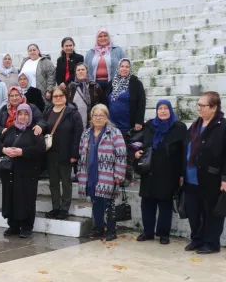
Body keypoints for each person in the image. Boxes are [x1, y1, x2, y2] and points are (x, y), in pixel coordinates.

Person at [133, 100, 187, 245]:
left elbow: (184, 152)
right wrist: (138, 153)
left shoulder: (179, 127)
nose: (163, 111)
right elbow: (141, 143)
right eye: (160, 108)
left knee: (165, 205)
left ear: (170, 110)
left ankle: (163, 234)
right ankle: (148, 232)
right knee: (147, 203)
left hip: (169, 172)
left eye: (165, 108)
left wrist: (182, 173)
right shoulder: (150, 125)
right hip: (149, 171)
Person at [183, 92, 226, 254]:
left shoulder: (222, 126)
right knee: (194, 212)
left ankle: (211, 243)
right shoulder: (195, 125)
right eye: (198, 105)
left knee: (212, 213)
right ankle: (197, 239)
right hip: (191, 178)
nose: (199, 108)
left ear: (214, 107)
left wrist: (225, 178)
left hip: (212, 178)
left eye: (203, 105)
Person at [0, 104, 45, 238]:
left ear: (30, 116)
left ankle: (27, 227)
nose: (23, 117)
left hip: (28, 173)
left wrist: (22, 152)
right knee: (11, 197)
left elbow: (40, 148)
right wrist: (4, 150)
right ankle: (13, 226)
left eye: (26, 114)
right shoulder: (10, 130)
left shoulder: (34, 130)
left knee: (26, 199)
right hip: (10, 172)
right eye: (20, 114)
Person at [77, 104, 127, 242]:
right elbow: (81, 154)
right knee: (95, 202)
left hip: (107, 174)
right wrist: (81, 174)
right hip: (90, 173)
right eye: (95, 115)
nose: (98, 118)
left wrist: (119, 174)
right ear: (91, 117)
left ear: (106, 117)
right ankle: (99, 228)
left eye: (102, 115)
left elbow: (121, 155)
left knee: (108, 203)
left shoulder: (114, 132)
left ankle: (111, 229)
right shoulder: (86, 133)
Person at [43, 87, 84, 220]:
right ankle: (56, 207)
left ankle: (64, 209)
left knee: (66, 182)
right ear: (52, 98)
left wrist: (74, 154)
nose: (58, 98)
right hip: (51, 154)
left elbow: (78, 134)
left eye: (61, 95)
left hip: (66, 154)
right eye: (55, 96)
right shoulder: (48, 111)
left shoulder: (72, 113)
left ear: (66, 97)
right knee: (53, 182)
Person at [107, 58, 146, 184]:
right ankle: (114, 175)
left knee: (125, 151)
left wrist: (139, 121)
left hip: (126, 124)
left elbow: (141, 102)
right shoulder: (112, 83)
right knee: (113, 151)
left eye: (127, 67)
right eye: (122, 66)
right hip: (112, 123)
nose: (124, 69)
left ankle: (127, 176)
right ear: (118, 68)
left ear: (130, 69)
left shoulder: (135, 83)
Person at [67, 63, 106, 128]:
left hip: (91, 120)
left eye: (83, 69)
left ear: (87, 72)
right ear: (75, 73)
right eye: (78, 70)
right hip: (75, 120)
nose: (80, 71)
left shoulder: (95, 86)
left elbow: (102, 103)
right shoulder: (71, 87)